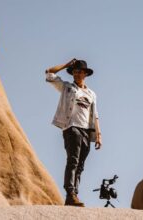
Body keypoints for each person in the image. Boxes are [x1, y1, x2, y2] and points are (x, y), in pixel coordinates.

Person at [45, 58, 102, 207]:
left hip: (86, 131)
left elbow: (95, 114)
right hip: (72, 128)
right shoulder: (67, 87)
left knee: (80, 165)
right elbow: (49, 73)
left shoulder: (91, 94)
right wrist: (66, 64)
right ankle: (70, 193)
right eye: (74, 72)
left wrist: (98, 135)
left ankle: (74, 194)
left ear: (85, 74)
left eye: (79, 72)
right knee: (73, 160)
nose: (76, 74)